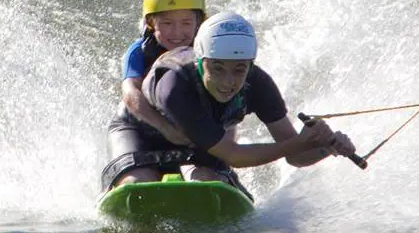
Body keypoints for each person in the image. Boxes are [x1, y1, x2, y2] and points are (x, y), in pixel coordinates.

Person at [100, 12, 357, 198]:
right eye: (217, 68)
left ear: (250, 65)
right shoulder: (174, 85)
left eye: (239, 70)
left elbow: (295, 155)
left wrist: (326, 146)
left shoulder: (258, 83)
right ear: (200, 62)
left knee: (206, 184)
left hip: (201, 141)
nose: (228, 82)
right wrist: (302, 141)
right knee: (138, 186)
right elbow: (233, 154)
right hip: (140, 133)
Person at [103, 0, 207, 187]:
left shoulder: (209, 51)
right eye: (167, 23)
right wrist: (166, 129)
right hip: (136, 127)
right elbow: (131, 95)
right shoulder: (138, 52)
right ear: (151, 22)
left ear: (199, 21)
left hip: (190, 131)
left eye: (186, 22)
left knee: (204, 179)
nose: (177, 33)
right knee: (137, 183)